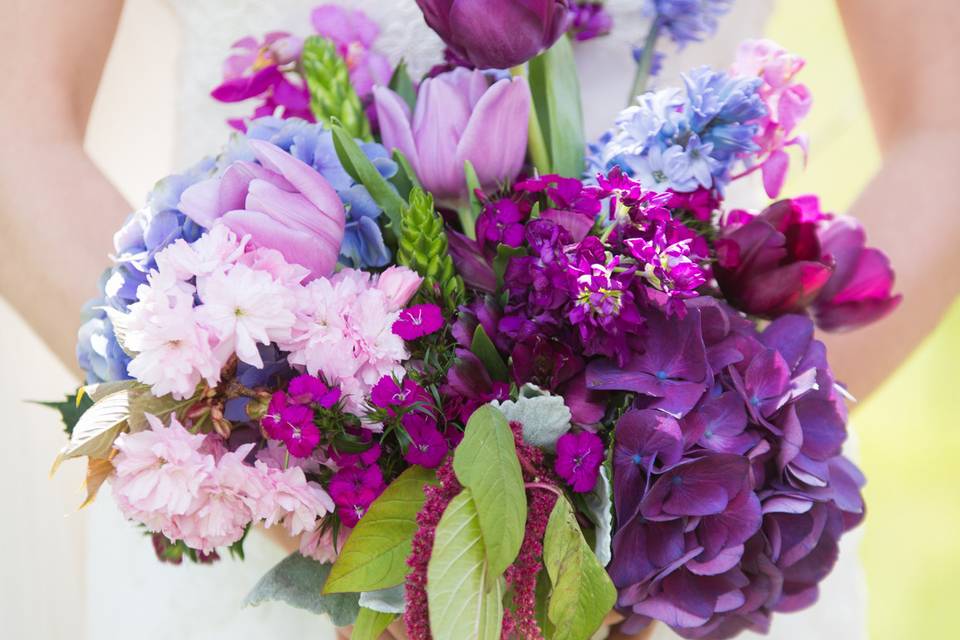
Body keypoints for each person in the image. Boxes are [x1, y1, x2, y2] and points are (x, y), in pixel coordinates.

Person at [2, 1, 958, 639]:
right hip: (271, 525)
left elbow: (944, 121)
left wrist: (736, 439)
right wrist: (232, 436)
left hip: (670, 571)